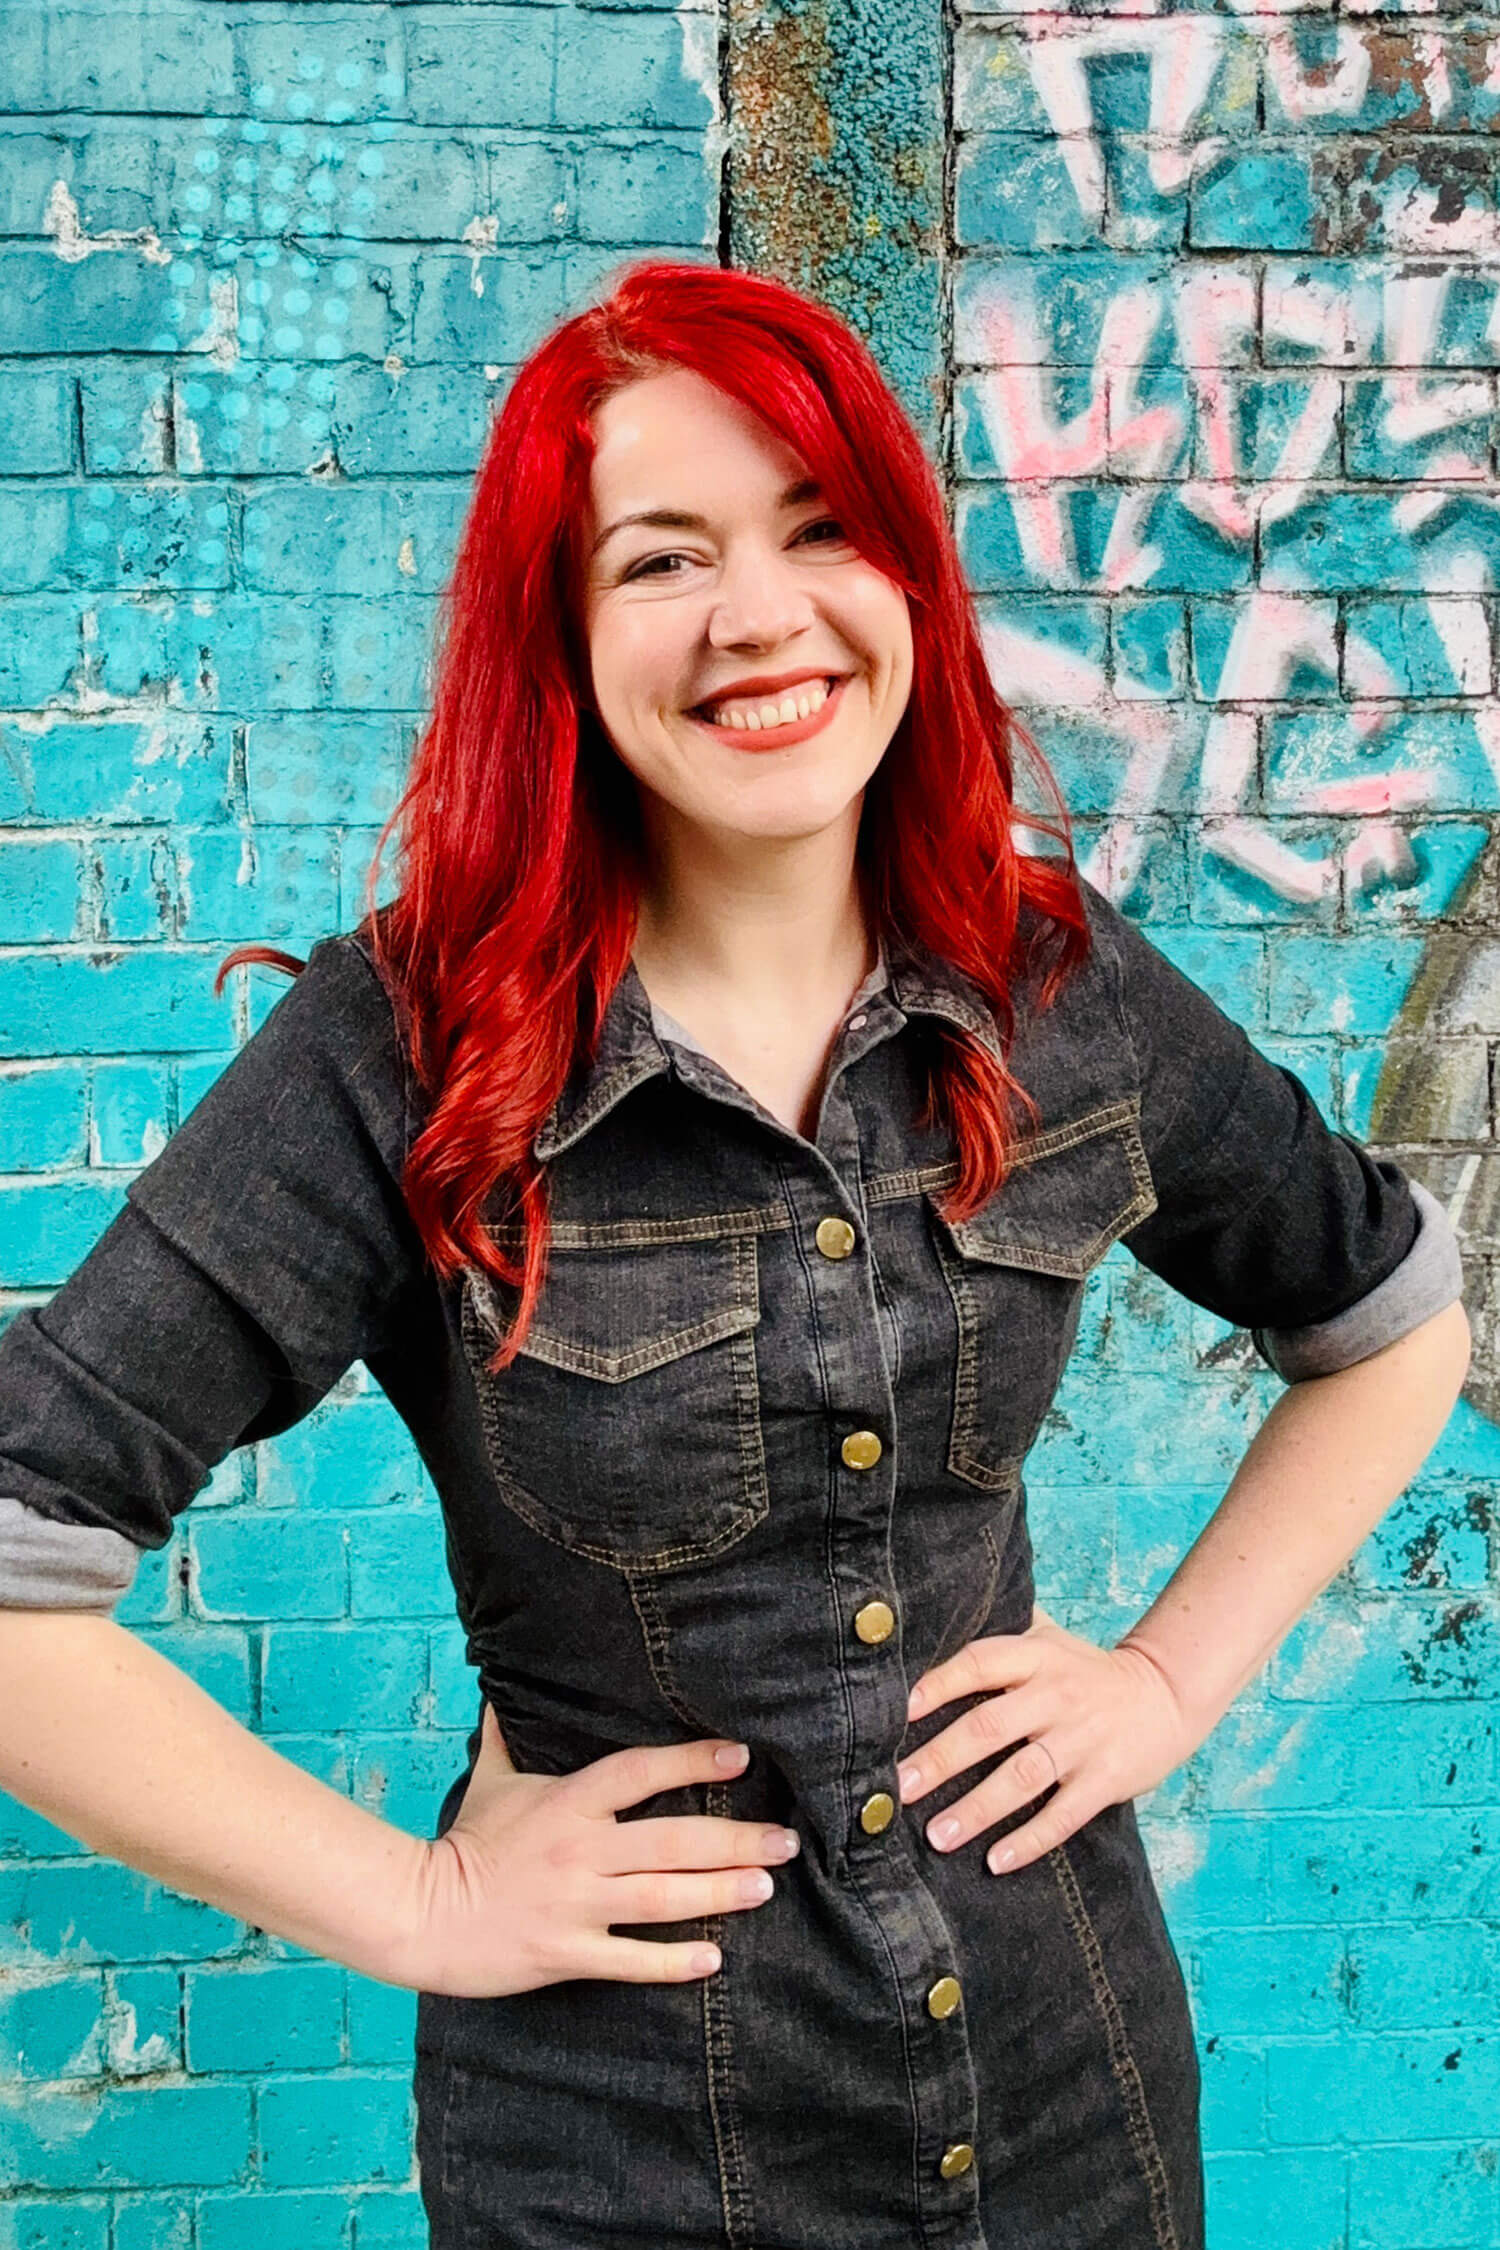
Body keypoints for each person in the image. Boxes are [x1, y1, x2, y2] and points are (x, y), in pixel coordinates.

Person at [0, 256, 1471, 2250]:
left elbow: (1383, 1316)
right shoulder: (405, 1054)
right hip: (626, 2156)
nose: (760, 616)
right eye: (661, 560)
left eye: (817, 528)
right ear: (567, 636)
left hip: (1067, 2104)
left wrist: (1163, 1682)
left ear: (904, 577)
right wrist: (417, 1901)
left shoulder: (1056, 986)